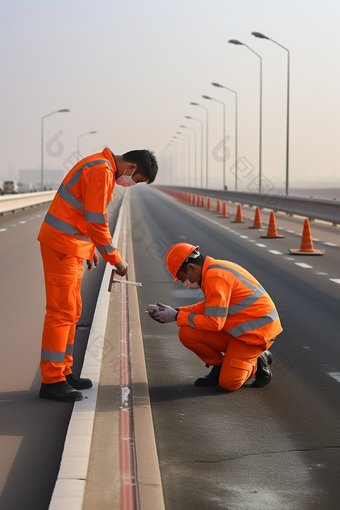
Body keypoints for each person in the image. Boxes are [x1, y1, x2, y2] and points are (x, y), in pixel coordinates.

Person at [38, 147, 158, 402]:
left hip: (70, 245)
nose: (129, 184)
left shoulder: (99, 165)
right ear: (131, 168)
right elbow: (95, 220)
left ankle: (64, 372)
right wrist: (115, 258)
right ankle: (52, 380)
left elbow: (89, 215)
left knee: (71, 311)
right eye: (135, 180)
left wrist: (91, 248)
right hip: (62, 245)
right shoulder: (101, 170)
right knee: (61, 312)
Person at [149, 243, 282, 391]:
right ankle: (219, 366)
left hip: (255, 336)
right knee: (186, 333)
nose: (184, 283)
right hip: (241, 331)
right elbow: (207, 307)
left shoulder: (215, 276)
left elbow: (214, 323)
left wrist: (177, 316)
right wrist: (174, 312)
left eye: (182, 278)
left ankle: (258, 362)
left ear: (191, 268)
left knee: (228, 384)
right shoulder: (213, 270)